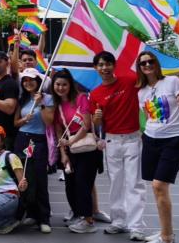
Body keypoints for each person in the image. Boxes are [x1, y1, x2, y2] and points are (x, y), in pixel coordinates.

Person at [135, 53, 179, 243]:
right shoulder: (141, 91)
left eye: (150, 61)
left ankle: (167, 237)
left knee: (159, 186)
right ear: (140, 67)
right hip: (151, 140)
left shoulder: (172, 82)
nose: (147, 65)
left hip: (173, 139)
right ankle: (164, 232)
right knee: (157, 189)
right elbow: (148, 116)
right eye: (143, 63)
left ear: (156, 63)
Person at [88, 51, 146, 239]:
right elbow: (96, 124)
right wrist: (97, 120)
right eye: (100, 65)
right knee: (116, 183)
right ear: (95, 68)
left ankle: (136, 226)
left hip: (133, 139)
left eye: (108, 64)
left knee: (134, 184)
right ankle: (119, 221)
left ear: (114, 65)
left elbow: (149, 84)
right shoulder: (95, 94)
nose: (104, 68)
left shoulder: (130, 81)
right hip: (112, 141)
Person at [52, 70, 100, 234]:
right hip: (69, 148)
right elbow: (58, 129)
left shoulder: (81, 98)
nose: (61, 87)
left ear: (70, 85)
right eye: (57, 84)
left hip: (86, 147)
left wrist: (71, 142)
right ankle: (79, 214)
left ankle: (88, 220)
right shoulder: (56, 104)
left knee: (83, 183)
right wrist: (64, 153)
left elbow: (86, 124)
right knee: (70, 184)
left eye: (64, 84)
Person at [12, 68, 54, 234]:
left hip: (39, 140)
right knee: (23, 177)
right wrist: (24, 119)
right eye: (25, 80)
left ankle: (44, 218)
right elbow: (15, 123)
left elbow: (49, 121)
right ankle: (29, 213)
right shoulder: (22, 99)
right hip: (22, 139)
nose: (28, 83)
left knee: (39, 178)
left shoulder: (48, 98)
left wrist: (41, 104)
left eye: (31, 80)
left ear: (38, 81)